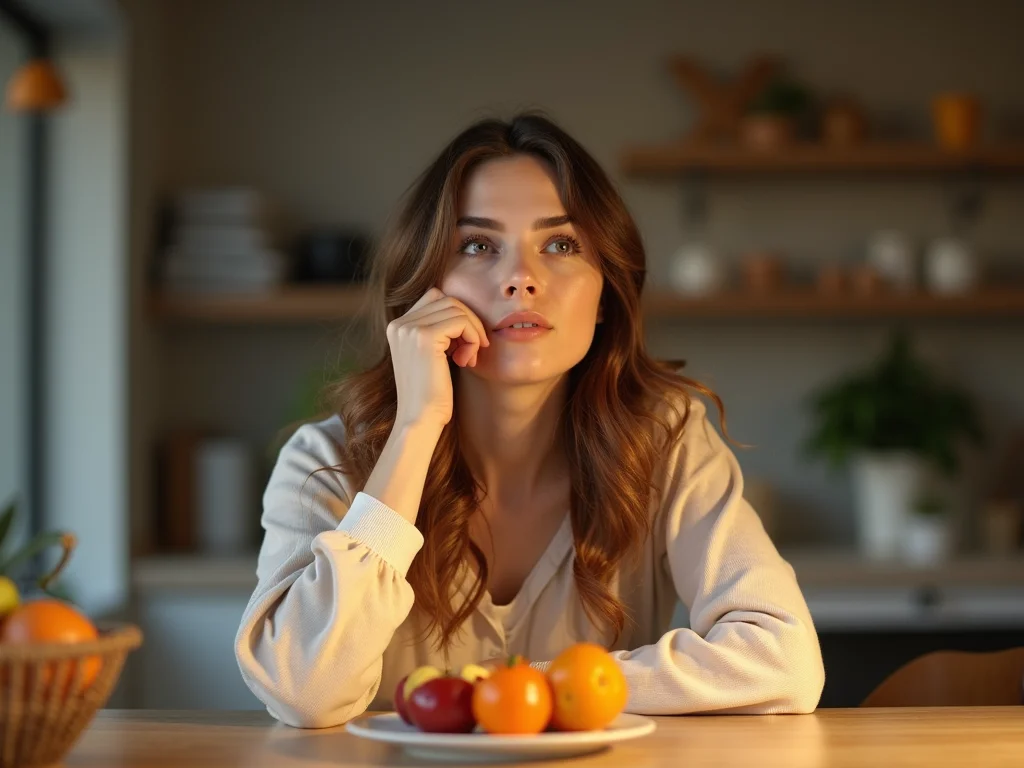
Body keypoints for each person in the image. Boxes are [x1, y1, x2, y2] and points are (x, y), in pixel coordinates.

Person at [234, 114, 825, 728]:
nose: (522, 278)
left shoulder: (666, 439)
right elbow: (303, 690)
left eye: (561, 245)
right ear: (424, 291)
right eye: (478, 245)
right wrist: (416, 428)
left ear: (605, 296)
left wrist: (522, 689)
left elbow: (784, 660)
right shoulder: (323, 462)